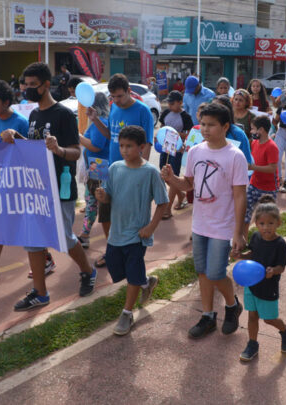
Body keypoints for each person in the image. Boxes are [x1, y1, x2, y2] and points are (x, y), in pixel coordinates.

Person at [0, 62, 97, 310]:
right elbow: (34, 148)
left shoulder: (63, 115)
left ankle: (88, 271)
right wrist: (17, 138)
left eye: (33, 85)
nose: (28, 89)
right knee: (33, 239)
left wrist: (58, 149)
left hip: (60, 187)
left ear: (46, 85)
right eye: (26, 85)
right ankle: (40, 293)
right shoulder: (33, 116)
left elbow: (76, 152)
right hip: (36, 187)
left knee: (63, 239)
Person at [161, 103, 247, 339]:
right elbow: (188, 185)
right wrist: (171, 179)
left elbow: (240, 196)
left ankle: (232, 305)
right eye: (203, 124)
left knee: (216, 272)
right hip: (200, 224)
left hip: (223, 226)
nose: (205, 129)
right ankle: (208, 316)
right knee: (202, 272)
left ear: (225, 126)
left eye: (211, 125)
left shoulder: (235, 156)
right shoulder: (196, 151)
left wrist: (238, 232)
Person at [0, 80, 56, 286]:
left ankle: (46, 258)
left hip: (21, 184)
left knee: (28, 225)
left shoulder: (22, 122)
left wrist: (16, 140)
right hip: (0, 182)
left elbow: (32, 152)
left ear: (6, 102)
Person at [94, 125, 169, 335]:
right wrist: (103, 197)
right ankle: (147, 283)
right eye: (122, 146)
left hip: (137, 235)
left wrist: (151, 227)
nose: (125, 150)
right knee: (118, 269)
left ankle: (127, 313)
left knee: (133, 273)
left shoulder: (151, 172)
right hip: (116, 234)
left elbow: (163, 202)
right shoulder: (114, 168)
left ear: (142, 147)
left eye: (129, 146)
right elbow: (109, 196)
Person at [87, 73, 155, 268]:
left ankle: (131, 256)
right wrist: (95, 119)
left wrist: (143, 171)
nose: (116, 100)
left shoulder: (143, 111)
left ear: (128, 91)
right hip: (111, 171)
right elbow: (110, 135)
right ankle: (112, 251)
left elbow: (147, 142)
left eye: (119, 96)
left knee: (129, 217)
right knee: (106, 214)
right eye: (113, 97)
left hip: (133, 172)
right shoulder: (114, 108)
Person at [233, 196, 286, 361]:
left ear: (278, 223)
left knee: (269, 319)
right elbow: (252, 254)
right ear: (256, 224)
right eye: (261, 224)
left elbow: (282, 266)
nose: (266, 227)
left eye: (270, 223)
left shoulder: (280, 244)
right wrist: (241, 256)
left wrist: (273, 271)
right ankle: (252, 344)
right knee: (252, 316)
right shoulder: (255, 237)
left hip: (268, 288)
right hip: (252, 286)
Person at [77, 92, 111, 248]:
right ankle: (85, 234)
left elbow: (95, 146)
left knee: (92, 202)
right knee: (93, 202)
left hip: (98, 168)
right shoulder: (102, 122)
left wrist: (79, 137)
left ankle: (86, 235)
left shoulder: (100, 123)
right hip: (97, 167)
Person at [159, 90, 194, 219]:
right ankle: (180, 195)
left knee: (173, 175)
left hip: (177, 150)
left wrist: (176, 135)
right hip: (165, 148)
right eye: (168, 102)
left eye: (172, 103)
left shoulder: (185, 116)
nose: (170, 105)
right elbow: (162, 126)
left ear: (180, 103)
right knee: (164, 175)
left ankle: (168, 209)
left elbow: (191, 135)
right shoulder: (166, 113)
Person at [244, 115, 279, 236]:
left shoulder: (271, 147)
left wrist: (253, 167)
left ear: (261, 130)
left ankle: (266, 240)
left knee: (267, 217)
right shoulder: (254, 143)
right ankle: (243, 239)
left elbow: (272, 168)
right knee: (245, 213)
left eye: (253, 129)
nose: (251, 131)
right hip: (254, 185)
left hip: (268, 189)